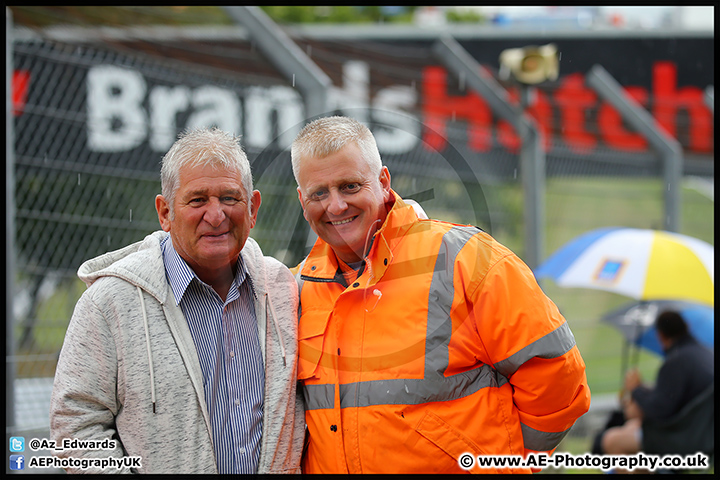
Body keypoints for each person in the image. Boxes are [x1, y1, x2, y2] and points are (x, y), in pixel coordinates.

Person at [289, 115, 591, 474]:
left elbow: (558, 378)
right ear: (301, 200)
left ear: (383, 182)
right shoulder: (294, 290)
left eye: (350, 186)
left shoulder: (467, 259)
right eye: (318, 193)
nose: (336, 206)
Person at [50, 127, 305, 474]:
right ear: (165, 212)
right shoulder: (110, 302)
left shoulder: (283, 289)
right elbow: (74, 429)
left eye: (230, 198)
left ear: (253, 207)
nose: (216, 216)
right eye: (197, 200)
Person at [601, 310, 714, 455]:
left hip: (684, 438)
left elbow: (659, 410)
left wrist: (636, 389)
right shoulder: (703, 353)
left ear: (660, 335)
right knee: (631, 427)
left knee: (611, 440)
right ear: (686, 326)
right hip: (702, 434)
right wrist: (643, 389)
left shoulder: (677, 361)